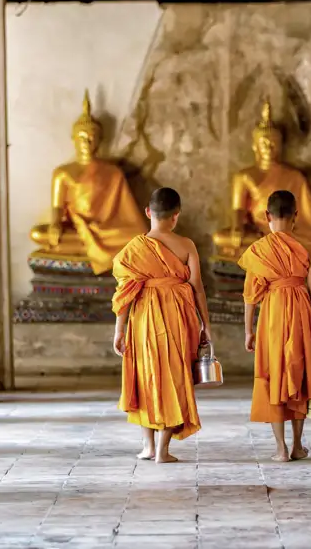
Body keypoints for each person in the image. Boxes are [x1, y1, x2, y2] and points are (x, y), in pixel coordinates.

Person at [112, 187, 212, 464]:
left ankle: (148, 447)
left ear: (148, 212)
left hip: (144, 318)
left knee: (146, 376)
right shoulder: (187, 245)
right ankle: (164, 450)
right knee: (175, 376)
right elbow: (198, 289)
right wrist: (206, 324)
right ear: (176, 216)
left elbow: (125, 293)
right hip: (179, 318)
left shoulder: (135, 248)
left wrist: (119, 330)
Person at [238, 190, 311, 462]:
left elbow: (250, 296)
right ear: (296, 216)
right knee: (299, 374)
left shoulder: (258, 250)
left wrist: (248, 330)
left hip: (273, 314)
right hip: (301, 314)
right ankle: (297, 446)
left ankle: (280, 449)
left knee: (274, 373)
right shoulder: (308, 248)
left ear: (267, 216)